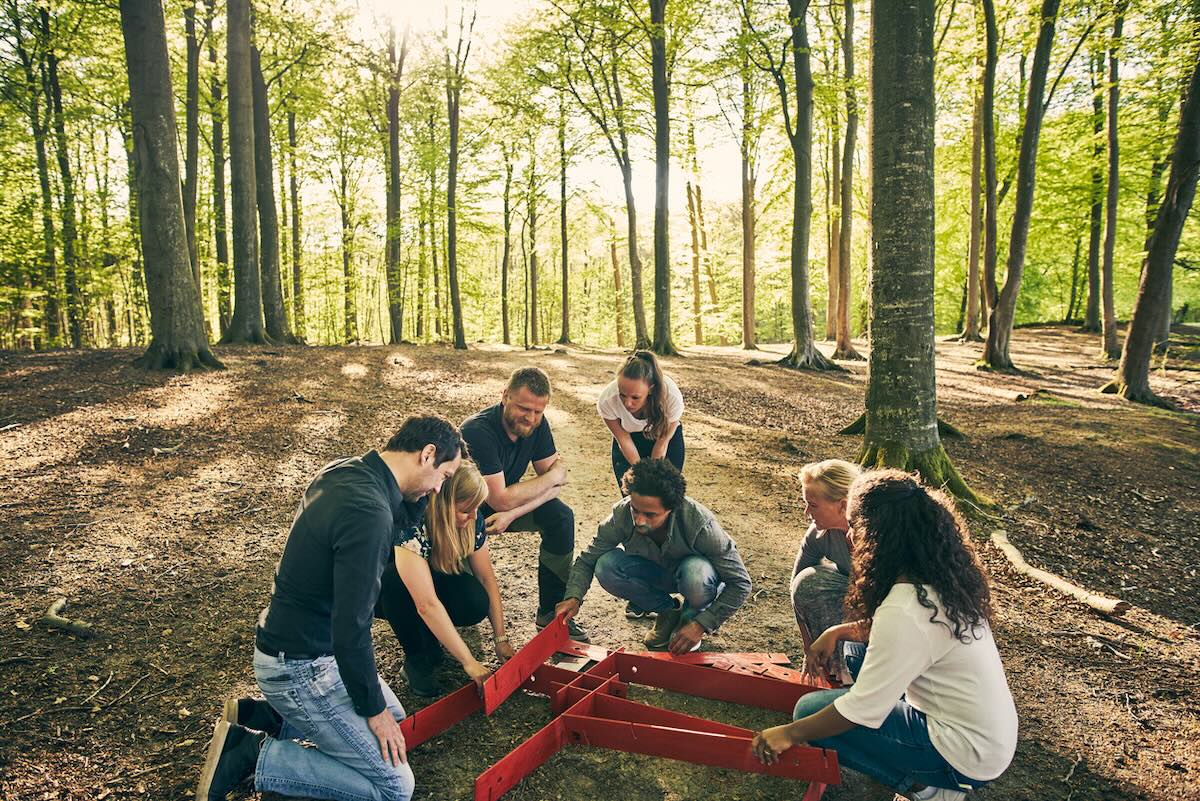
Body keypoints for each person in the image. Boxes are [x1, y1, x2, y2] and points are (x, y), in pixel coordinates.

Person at [195, 415, 466, 801]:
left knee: (398, 720)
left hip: (296, 644)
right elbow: (352, 626)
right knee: (394, 786)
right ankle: (252, 756)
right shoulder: (368, 513)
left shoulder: (350, 471)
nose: (440, 489)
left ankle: (275, 719)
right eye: (444, 475)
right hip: (301, 665)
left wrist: (417, 498)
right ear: (427, 454)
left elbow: (399, 527)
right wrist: (371, 710)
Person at [751, 470, 1019, 801]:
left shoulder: (905, 608)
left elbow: (860, 709)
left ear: (881, 536)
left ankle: (928, 789)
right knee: (854, 651)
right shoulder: (938, 579)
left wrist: (789, 733)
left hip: (965, 754)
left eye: (856, 527)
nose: (850, 536)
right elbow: (906, 633)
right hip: (987, 735)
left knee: (808, 710)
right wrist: (839, 631)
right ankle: (918, 761)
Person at [556, 459, 752, 654]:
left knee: (696, 571)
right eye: (635, 509)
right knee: (606, 566)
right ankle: (668, 611)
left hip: (698, 581)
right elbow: (587, 559)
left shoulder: (700, 523)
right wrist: (574, 597)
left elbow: (741, 583)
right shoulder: (621, 514)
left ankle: (690, 617)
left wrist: (702, 624)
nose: (639, 520)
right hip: (658, 574)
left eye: (650, 515)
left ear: (671, 508)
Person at [461, 367, 588, 641]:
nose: (531, 418)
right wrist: (551, 477)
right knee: (464, 598)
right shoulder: (477, 430)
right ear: (505, 396)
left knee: (560, 517)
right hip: (462, 514)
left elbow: (556, 481)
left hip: (502, 510)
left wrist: (513, 513)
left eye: (538, 411)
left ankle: (550, 613)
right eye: (524, 408)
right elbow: (498, 498)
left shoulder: (537, 426)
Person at [375, 462, 513, 698]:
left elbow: (485, 576)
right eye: (465, 510)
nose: (473, 517)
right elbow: (425, 603)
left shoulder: (472, 517)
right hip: (380, 590)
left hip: (430, 577)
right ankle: (416, 658)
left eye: (476, 509)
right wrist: (469, 662)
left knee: (474, 600)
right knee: (395, 581)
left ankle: (431, 637)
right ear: (443, 503)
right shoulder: (412, 519)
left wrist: (500, 638)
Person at [791, 459, 862, 680]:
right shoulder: (819, 534)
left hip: (891, 611)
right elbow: (798, 591)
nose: (806, 513)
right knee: (809, 582)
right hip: (857, 600)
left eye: (813, 505)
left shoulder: (877, 536)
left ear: (843, 505)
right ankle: (834, 669)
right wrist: (809, 647)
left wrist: (835, 633)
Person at [597, 350, 685, 487]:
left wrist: (654, 475)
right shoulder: (607, 400)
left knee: (663, 493)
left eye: (635, 397)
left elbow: (661, 443)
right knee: (634, 494)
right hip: (629, 441)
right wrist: (642, 473)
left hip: (664, 440)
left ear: (651, 389)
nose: (627, 403)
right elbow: (623, 439)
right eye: (622, 395)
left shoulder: (671, 397)